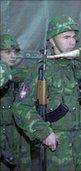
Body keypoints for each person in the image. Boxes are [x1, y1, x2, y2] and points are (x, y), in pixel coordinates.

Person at [13, 15, 81, 170]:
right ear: (52, 40)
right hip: (58, 143)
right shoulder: (42, 70)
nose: (72, 42)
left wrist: (79, 53)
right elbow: (21, 107)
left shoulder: (80, 69)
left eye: (74, 37)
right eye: (66, 37)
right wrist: (43, 132)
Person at [0, 33, 31, 170]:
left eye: (15, 52)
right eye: (7, 52)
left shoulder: (17, 74)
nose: (13, 56)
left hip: (18, 132)